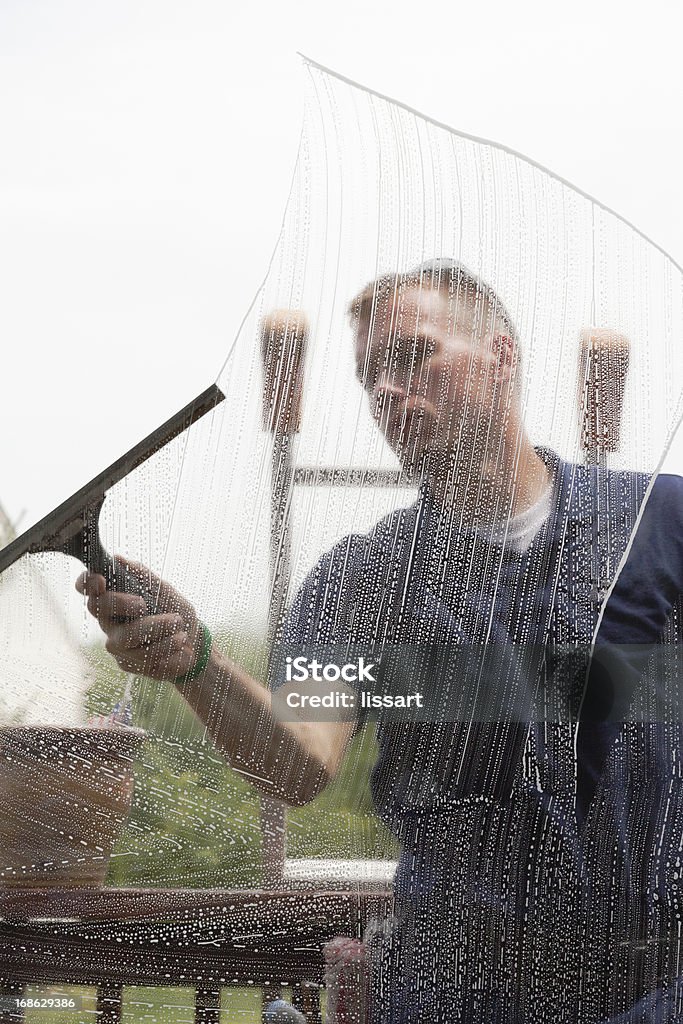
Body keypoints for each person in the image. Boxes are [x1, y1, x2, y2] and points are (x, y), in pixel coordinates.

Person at [78, 259, 683, 1023]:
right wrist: (195, 659)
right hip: (459, 994)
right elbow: (299, 763)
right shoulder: (363, 580)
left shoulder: (658, 526)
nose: (386, 394)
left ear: (502, 354)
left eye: (412, 355)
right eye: (369, 379)